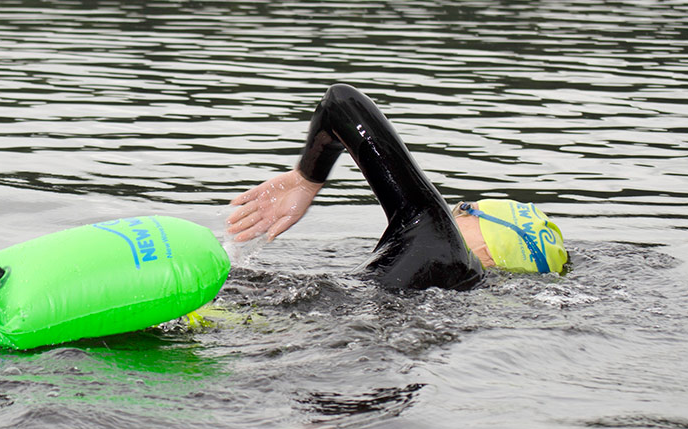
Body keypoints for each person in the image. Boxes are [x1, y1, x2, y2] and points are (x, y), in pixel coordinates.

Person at [225, 84, 567, 290]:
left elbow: (341, 103)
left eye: (467, 209)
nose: (453, 210)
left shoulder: (441, 245)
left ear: (492, 252)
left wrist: (306, 178)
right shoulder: (456, 288)